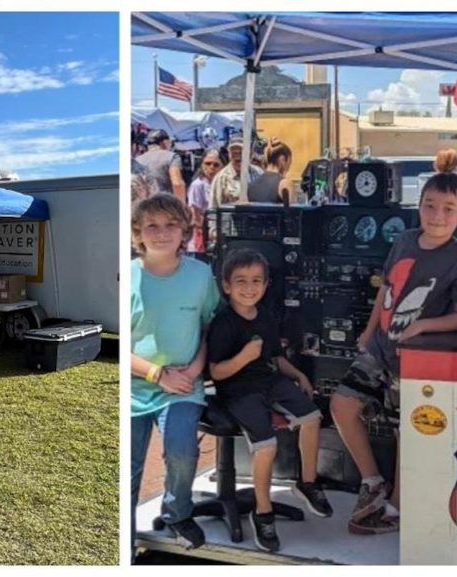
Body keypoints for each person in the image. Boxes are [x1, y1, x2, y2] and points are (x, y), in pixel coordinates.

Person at [330, 172, 457, 535]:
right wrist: (368, 333)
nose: (437, 215)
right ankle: (373, 481)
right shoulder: (404, 240)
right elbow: (386, 290)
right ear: (419, 205)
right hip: (379, 348)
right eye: (430, 205)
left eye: (448, 208)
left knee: (405, 432)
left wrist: (423, 326)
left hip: (413, 361)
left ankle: (396, 507)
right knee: (342, 404)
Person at [206, 249, 332, 552]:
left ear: (265, 285)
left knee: (312, 417)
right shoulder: (224, 322)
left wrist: (299, 375)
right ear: (226, 286)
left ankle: (307, 482)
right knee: (267, 446)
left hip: (269, 382)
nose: (249, 288)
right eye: (241, 281)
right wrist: (243, 357)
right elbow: (216, 372)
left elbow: (275, 357)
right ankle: (263, 513)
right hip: (238, 391)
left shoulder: (265, 316)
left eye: (256, 281)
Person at [130, 193, 221, 555]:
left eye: (171, 224)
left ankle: (177, 513)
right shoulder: (128, 277)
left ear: (185, 229)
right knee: (129, 466)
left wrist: (196, 367)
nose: (162, 232)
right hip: (136, 388)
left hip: (184, 384)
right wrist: (156, 374)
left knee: (182, 451)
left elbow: (210, 326)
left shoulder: (200, 275)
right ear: (137, 232)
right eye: (151, 225)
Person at [186, 149, 223, 253]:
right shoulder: (198, 185)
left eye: (216, 165)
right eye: (207, 163)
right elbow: (195, 215)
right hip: (203, 235)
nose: (211, 167)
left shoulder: (222, 184)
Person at [210, 135, 263, 209]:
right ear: (229, 155)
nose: (237, 157)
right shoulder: (221, 178)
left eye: (241, 152)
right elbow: (214, 208)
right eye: (234, 153)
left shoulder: (259, 173)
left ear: (250, 154)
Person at [135, 129, 187, 202]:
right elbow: (177, 183)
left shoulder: (137, 160)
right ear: (164, 142)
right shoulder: (171, 157)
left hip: (142, 205)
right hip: (166, 204)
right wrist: (181, 204)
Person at [248, 140, 294, 204]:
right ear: (282, 160)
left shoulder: (251, 185)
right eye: (289, 163)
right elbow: (293, 209)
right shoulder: (284, 184)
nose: (288, 168)